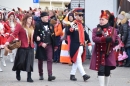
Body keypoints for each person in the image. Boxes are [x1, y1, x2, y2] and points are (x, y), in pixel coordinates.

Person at [90, 10, 119, 86]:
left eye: (102, 19)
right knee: (101, 70)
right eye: (100, 19)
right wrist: (104, 39)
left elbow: (117, 39)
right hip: (99, 53)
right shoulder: (96, 30)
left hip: (109, 53)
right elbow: (94, 39)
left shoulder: (113, 30)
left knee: (107, 72)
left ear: (107, 20)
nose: (101, 21)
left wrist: (116, 42)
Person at [5, 14, 35, 82]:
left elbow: (34, 36)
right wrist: (8, 41)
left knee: (29, 63)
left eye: (31, 19)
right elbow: (14, 34)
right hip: (22, 46)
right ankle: (18, 72)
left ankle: (29, 77)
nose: (31, 20)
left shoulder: (32, 26)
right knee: (20, 62)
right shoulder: (20, 25)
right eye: (29, 18)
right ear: (26, 19)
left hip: (31, 47)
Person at [67, 8, 92, 81]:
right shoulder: (72, 24)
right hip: (75, 46)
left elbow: (85, 34)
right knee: (78, 61)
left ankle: (72, 74)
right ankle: (84, 75)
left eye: (82, 15)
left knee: (76, 61)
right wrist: (71, 29)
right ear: (76, 15)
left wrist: (89, 43)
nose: (81, 17)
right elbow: (68, 33)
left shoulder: (81, 24)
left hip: (82, 45)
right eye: (80, 15)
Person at [33, 12, 56, 81]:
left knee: (49, 59)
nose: (47, 18)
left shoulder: (51, 25)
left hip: (49, 44)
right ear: (41, 18)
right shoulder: (37, 25)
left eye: (47, 17)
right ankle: (41, 74)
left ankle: (50, 75)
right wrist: (40, 43)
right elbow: (35, 36)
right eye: (45, 17)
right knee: (40, 60)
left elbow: (53, 35)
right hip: (41, 45)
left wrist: (55, 45)